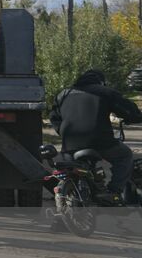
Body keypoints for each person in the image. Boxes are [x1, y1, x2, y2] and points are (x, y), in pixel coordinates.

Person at [51, 69, 136, 204]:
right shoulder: (106, 92)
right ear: (101, 81)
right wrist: (135, 117)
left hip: (70, 145)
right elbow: (130, 111)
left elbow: (54, 118)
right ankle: (114, 191)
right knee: (125, 156)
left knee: (68, 168)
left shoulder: (63, 94)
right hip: (101, 142)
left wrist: (63, 132)